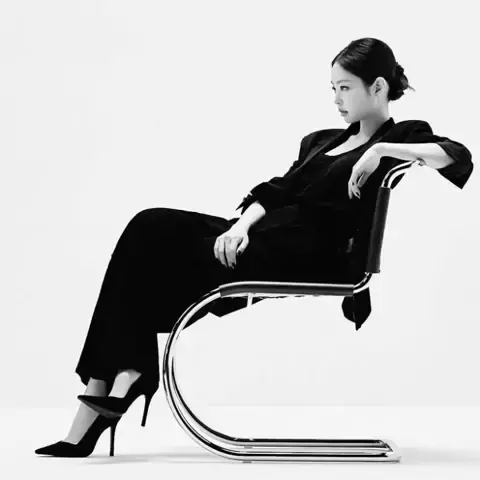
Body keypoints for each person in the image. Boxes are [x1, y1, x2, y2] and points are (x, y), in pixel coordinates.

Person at [35, 37, 473, 458]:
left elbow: (458, 155)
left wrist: (384, 151)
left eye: (345, 88)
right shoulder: (321, 140)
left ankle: (111, 389)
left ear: (377, 87)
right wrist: (241, 227)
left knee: (150, 262)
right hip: (266, 237)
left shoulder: (405, 134)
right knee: (148, 225)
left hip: (311, 255)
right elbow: (279, 189)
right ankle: (112, 380)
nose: (336, 99)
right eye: (332, 88)